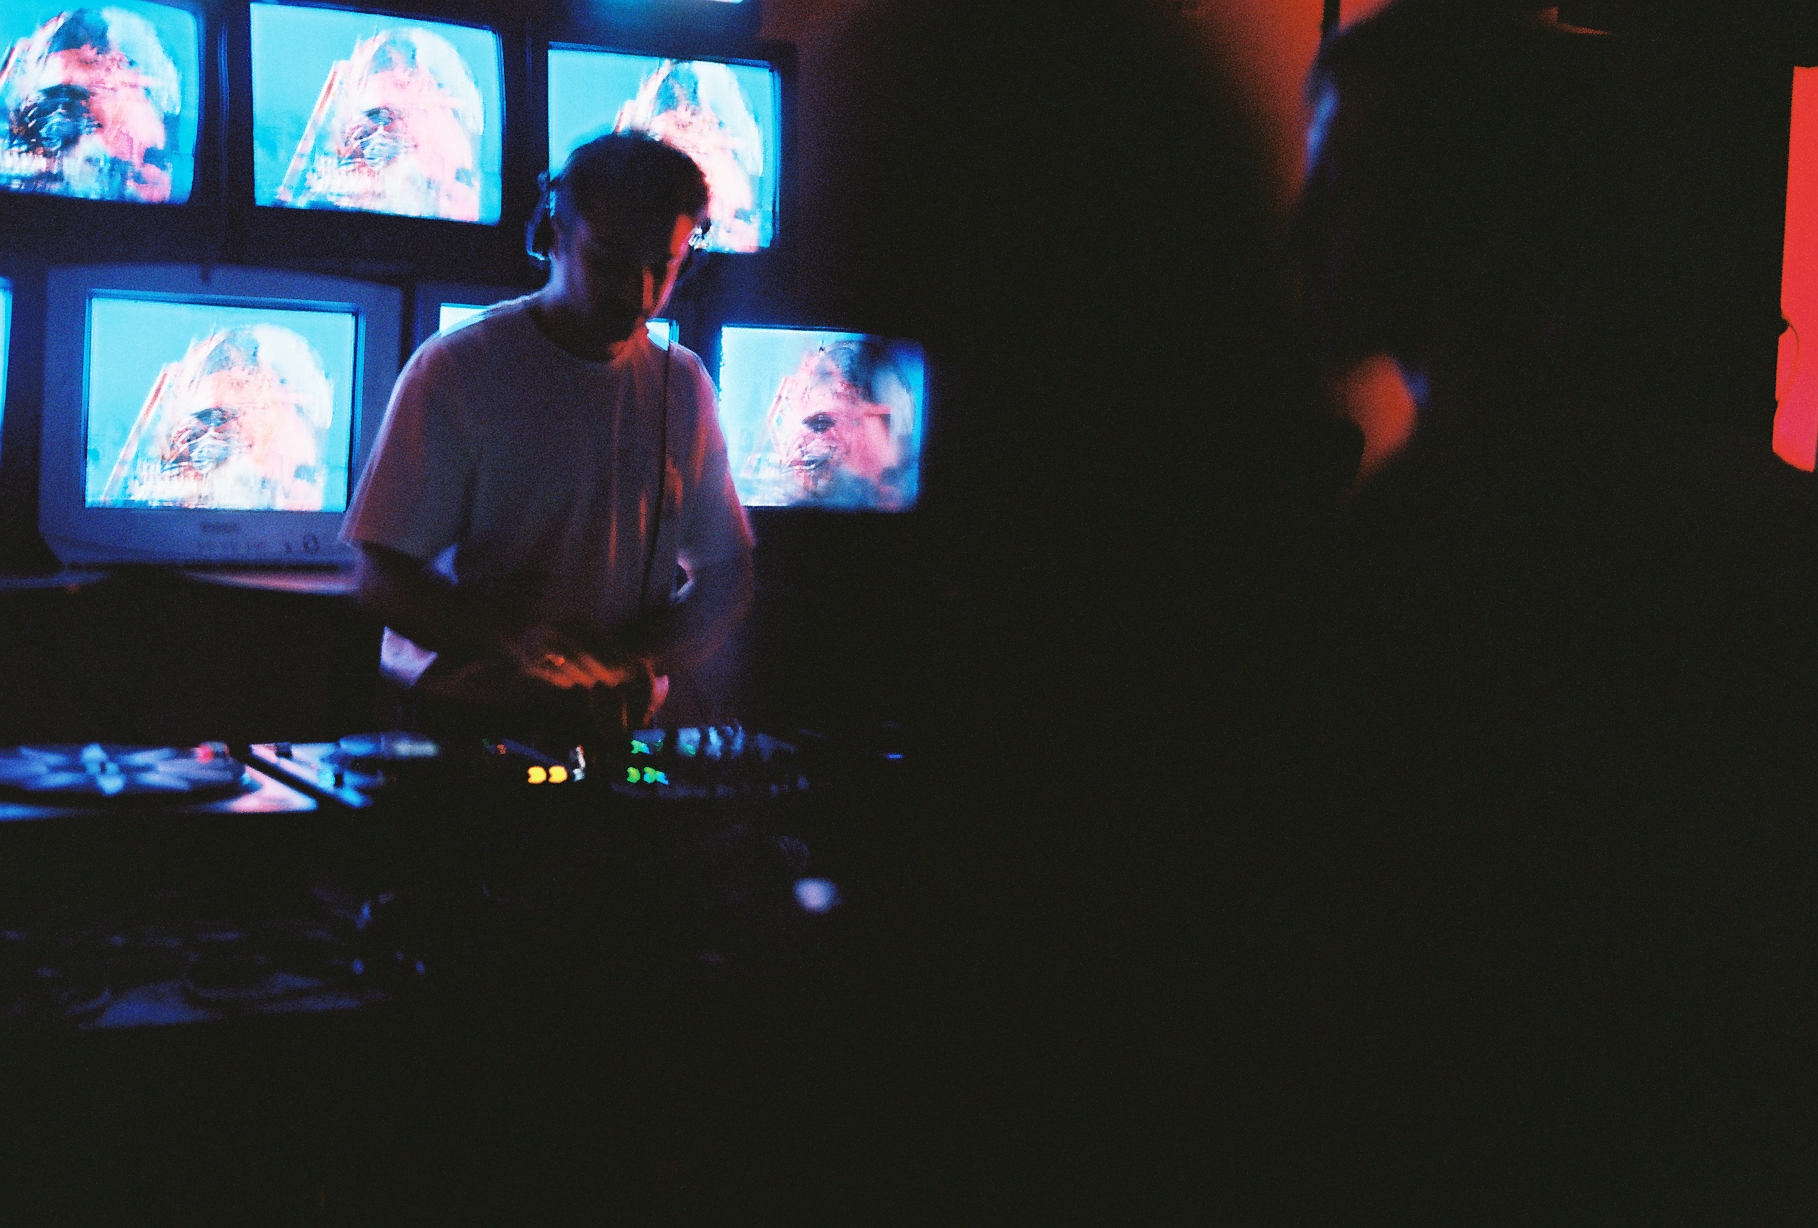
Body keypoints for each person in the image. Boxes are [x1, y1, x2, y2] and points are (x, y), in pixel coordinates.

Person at [342, 132, 754, 750]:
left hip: (616, 730)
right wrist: (519, 642)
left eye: (661, 267)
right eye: (611, 262)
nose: (640, 294)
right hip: (462, 730)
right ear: (553, 236)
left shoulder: (683, 385)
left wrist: (633, 659)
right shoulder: (459, 368)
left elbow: (726, 574)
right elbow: (381, 578)